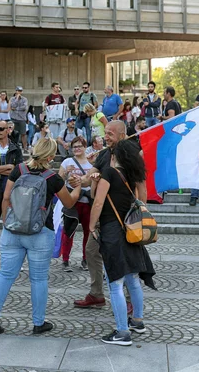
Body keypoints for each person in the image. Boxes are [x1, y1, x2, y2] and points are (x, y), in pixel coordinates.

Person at [0, 137, 81, 335]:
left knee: (5, 275)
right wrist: (78, 186)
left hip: (12, 230)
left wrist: (7, 223)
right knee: (38, 279)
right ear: (52, 157)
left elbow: (5, 197)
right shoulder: (53, 179)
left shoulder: (18, 170)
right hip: (40, 232)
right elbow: (69, 203)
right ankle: (38, 323)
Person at [88, 139, 155, 346]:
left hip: (112, 232)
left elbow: (97, 200)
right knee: (132, 280)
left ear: (115, 156)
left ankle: (122, 332)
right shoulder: (132, 175)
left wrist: (91, 225)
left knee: (115, 283)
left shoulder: (109, 173)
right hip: (130, 231)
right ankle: (137, 321)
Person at [74, 121, 127, 309]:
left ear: (122, 135)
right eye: (106, 133)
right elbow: (91, 175)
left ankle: (128, 299)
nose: (106, 137)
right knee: (91, 250)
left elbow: (139, 185)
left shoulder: (130, 154)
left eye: (110, 134)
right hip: (102, 215)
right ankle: (96, 294)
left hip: (122, 216)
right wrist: (81, 179)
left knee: (121, 256)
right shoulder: (104, 154)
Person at [0, 120, 24, 272]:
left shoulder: (15, 148)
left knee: (14, 227)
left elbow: (18, 170)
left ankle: (15, 260)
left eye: (1, 129)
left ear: (8, 130)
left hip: (11, 192)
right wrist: (7, 168)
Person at [59, 136, 93, 271]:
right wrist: (66, 173)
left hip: (88, 201)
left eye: (80, 146)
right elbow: (59, 180)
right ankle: (65, 260)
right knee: (68, 231)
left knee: (88, 233)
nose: (77, 149)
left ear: (85, 147)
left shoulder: (91, 163)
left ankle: (86, 260)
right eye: (74, 147)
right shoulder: (67, 162)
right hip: (72, 201)